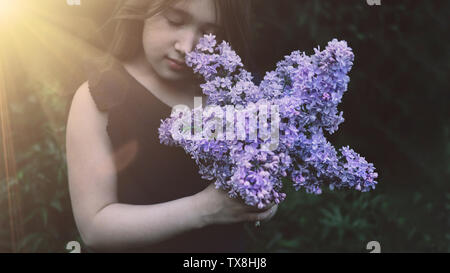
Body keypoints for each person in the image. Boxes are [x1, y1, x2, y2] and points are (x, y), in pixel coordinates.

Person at [65, 0, 278, 253]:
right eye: (175, 21)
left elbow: (268, 172)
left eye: (209, 33)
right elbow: (94, 227)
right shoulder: (97, 98)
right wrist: (205, 209)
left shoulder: (234, 92)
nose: (187, 47)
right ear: (142, 9)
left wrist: (263, 197)